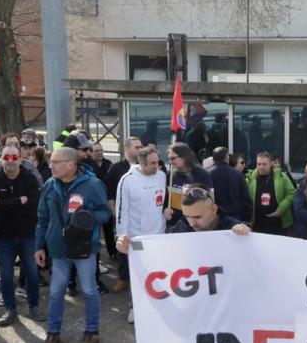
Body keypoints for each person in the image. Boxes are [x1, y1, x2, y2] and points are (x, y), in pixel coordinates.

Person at [35, 147, 110, 343]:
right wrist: (39, 246)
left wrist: (88, 217)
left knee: (89, 289)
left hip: (84, 247)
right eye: (50, 162)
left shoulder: (92, 185)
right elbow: (42, 218)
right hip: (58, 249)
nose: (51, 166)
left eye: (55, 162)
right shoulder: (50, 184)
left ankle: (92, 331)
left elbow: (105, 213)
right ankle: (53, 331)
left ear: (71, 164)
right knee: (56, 291)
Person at [0, 144, 43, 327]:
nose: (10, 161)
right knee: (6, 276)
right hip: (3, 237)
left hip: (28, 235)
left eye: (14, 157)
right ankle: (11, 309)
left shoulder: (30, 179)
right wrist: (19, 201)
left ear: (20, 159)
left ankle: (34, 307)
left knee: (33, 275)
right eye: (6, 157)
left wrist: (4, 204)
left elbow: (34, 204)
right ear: (1, 159)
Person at [115, 145, 170, 322]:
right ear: (141, 163)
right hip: (137, 236)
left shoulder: (162, 176)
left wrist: (165, 213)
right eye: (152, 163)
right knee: (138, 275)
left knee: (159, 272)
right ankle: (134, 307)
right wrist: (122, 236)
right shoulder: (127, 180)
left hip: (159, 234)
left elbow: (162, 201)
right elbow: (121, 210)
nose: (156, 166)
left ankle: (160, 306)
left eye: (157, 162)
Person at [115, 184, 249, 239]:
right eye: (187, 216)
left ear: (214, 209)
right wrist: (130, 248)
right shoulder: (182, 226)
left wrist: (246, 234)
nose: (192, 223)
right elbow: (158, 248)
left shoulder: (232, 228)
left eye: (197, 217)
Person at [106, 136, 144, 291]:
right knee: (124, 246)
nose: (140, 150)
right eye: (137, 147)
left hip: (142, 216)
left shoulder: (146, 166)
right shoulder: (117, 169)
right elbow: (110, 193)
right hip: (124, 216)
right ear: (127, 148)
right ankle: (123, 278)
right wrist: (115, 213)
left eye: (141, 146)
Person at [247, 152, 296, 235]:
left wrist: (281, 209)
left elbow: (291, 193)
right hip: (258, 224)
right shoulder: (251, 178)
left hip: (278, 224)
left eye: (264, 164)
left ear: (270, 164)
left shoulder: (281, 176)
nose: (261, 167)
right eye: (258, 164)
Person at [167, 142, 211, 226]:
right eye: (169, 159)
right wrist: (165, 209)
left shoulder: (202, 175)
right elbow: (166, 198)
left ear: (184, 157)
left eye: (173, 158)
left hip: (195, 225)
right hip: (175, 225)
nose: (170, 162)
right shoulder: (170, 174)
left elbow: (210, 201)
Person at [210, 145, 252, 224]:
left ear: (213, 159)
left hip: (217, 217)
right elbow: (246, 198)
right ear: (227, 158)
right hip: (236, 217)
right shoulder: (238, 175)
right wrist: (248, 218)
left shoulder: (209, 175)